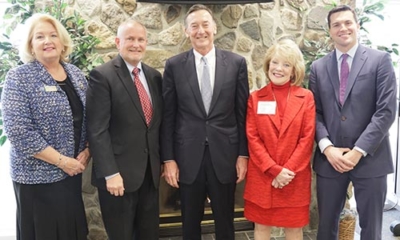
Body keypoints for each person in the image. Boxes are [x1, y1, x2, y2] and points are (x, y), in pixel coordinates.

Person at [161, 4, 249, 240]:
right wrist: (168, 159)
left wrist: (243, 155)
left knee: (225, 223)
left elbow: (242, 115)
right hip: (187, 157)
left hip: (226, 156)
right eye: (194, 26)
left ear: (215, 27)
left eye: (205, 24)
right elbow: (168, 116)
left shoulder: (236, 63)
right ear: (186, 31)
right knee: (189, 223)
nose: (201, 31)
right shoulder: (173, 66)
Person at [309, 5, 397, 240]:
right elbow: (314, 113)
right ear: (329, 31)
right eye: (336, 24)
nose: (343, 28)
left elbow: (386, 111)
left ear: (357, 26)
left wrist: (358, 151)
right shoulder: (318, 68)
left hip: (371, 159)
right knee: (325, 228)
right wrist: (327, 148)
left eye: (348, 22)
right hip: (330, 161)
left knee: (371, 229)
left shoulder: (380, 61)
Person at [1, 13, 90, 240]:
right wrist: (63, 162)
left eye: (53, 35)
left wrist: (87, 151)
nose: (47, 41)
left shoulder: (77, 75)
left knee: (71, 231)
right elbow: (19, 131)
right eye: (39, 37)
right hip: (37, 179)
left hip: (71, 174)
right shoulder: (18, 78)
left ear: (62, 43)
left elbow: (91, 118)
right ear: (31, 46)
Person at [86, 19, 162, 240]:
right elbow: (97, 130)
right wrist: (110, 173)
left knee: (149, 235)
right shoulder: (102, 76)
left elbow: (155, 125)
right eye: (130, 39)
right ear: (118, 42)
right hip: (117, 178)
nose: (136, 44)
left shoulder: (154, 76)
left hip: (150, 177)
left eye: (140, 39)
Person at [244, 39, 315, 240]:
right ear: (268, 65)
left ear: (294, 71)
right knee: (261, 227)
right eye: (275, 62)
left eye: (286, 64)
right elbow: (253, 138)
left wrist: (286, 172)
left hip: (294, 178)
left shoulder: (306, 97)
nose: (279, 69)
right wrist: (274, 170)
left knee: (294, 229)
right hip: (263, 176)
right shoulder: (256, 98)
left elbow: (307, 138)